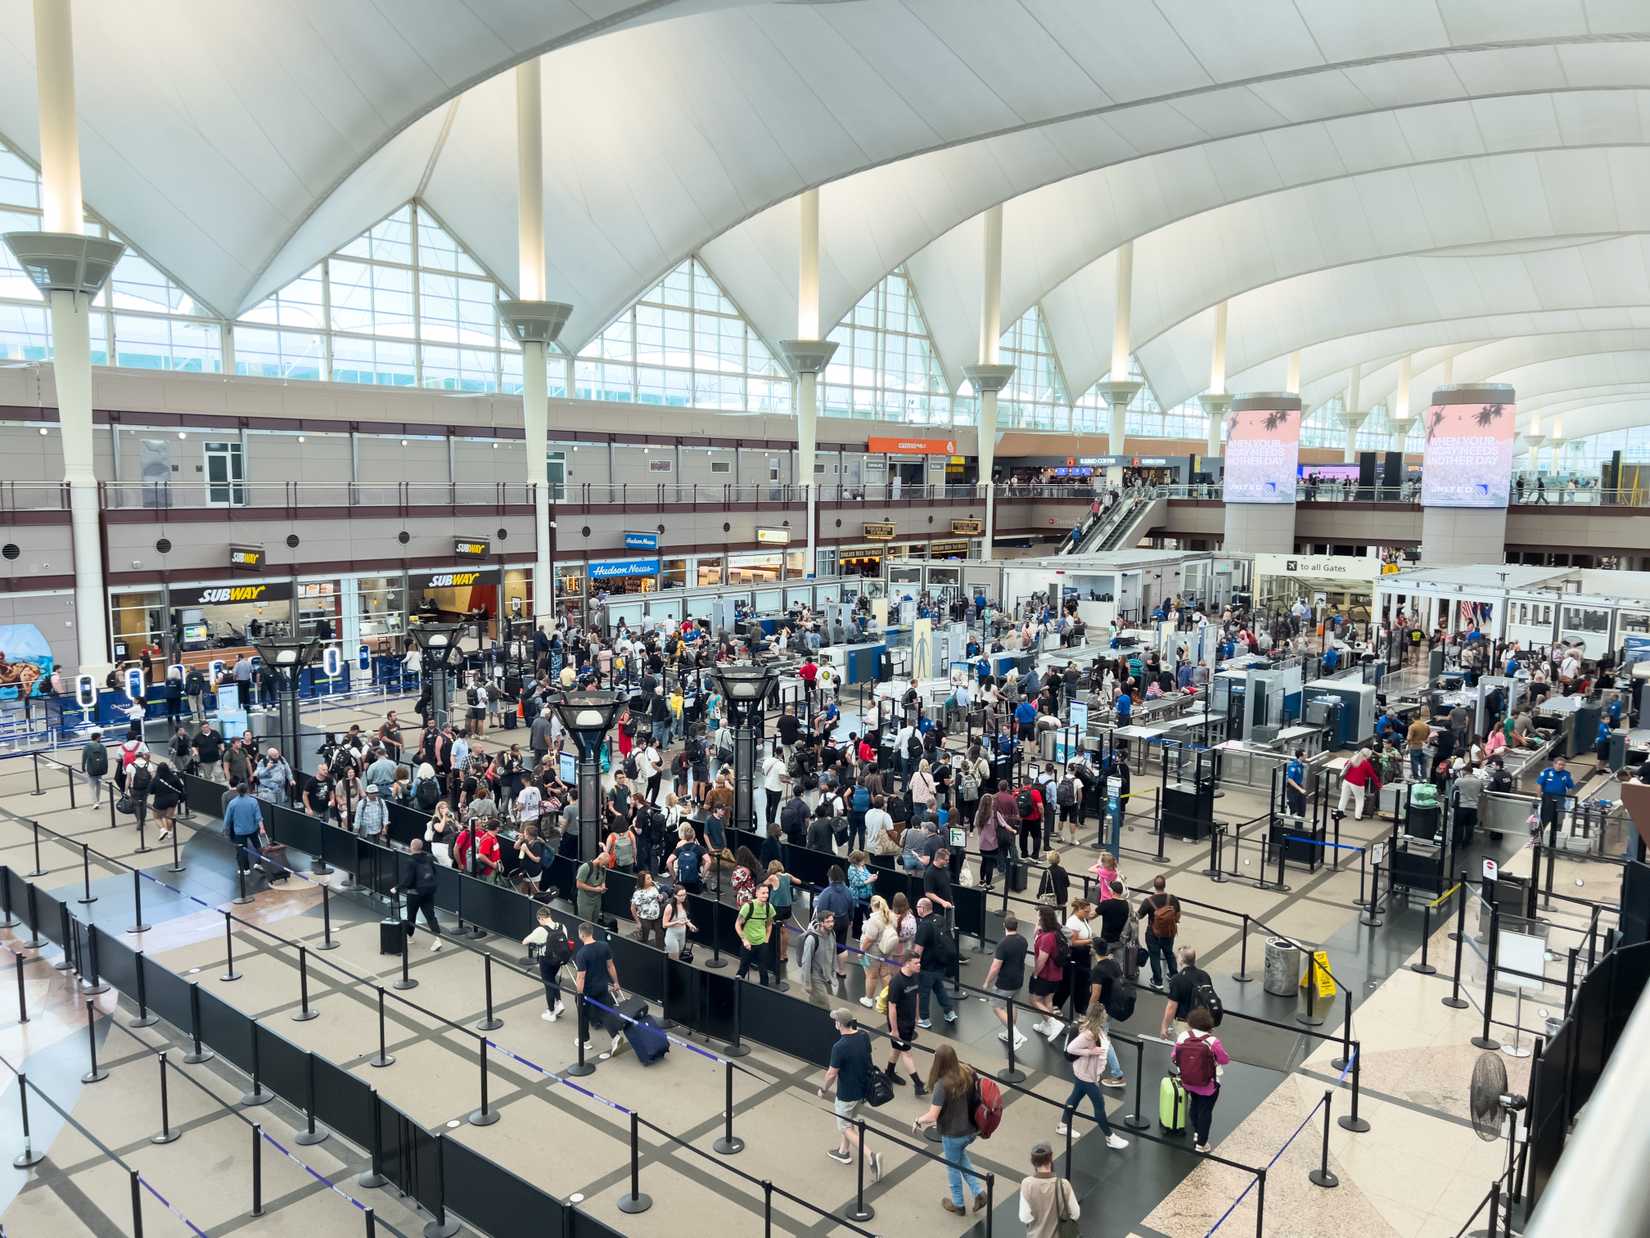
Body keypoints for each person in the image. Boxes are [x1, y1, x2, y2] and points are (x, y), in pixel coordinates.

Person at [913, 1045, 988, 1215]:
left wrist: (918, 1120)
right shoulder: (966, 1071)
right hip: (971, 1130)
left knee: (952, 1167)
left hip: (953, 1134)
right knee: (961, 1159)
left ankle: (958, 1204)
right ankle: (979, 1193)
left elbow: (932, 1115)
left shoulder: (942, 1084)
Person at [1055, 1001, 1129, 1147]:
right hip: (1086, 1076)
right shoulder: (1089, 1034)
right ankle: (1110, 1137)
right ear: (1100, 1017)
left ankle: (1062, 1125)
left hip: (1087, 1074)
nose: (1106, 1015)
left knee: (1075, 1098)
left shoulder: (1097, 1030)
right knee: (1099, 1104)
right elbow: (1071, 1048)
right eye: (1104, 1014)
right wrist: (1090, 1052)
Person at [820, 1008, 882, 1180]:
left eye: (835, 1020)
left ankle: (871, 1156)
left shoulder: (839, 1047)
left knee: (845, 1127)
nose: (834, 1023)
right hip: (863, 1092)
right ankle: (843, 1152)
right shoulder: (863, 1036)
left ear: (840, 1024)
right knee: (849, 1121)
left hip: (847, 1094)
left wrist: (823, 1089)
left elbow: (831, 1074)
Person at [1170, 1007, 1231, 1154]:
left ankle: (1197, 1131)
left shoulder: (1183, 1036)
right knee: (1206, 1111)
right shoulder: (1213, 1041)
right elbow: (1225, 1059)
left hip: (1188, 1080)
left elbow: (1174, 1056)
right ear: (1209, 1024)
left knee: (1195, 1104)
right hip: (1209, 1084)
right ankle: (1201, 1143)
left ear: (1191, 1022)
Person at [572, 922, 627, 1060]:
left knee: (582, 1015)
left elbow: (581, 976)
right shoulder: (604, 946)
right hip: (602, 987)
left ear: (582, 935)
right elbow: (610, 966)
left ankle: (585, 1041)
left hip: (588, 990)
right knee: (605, 1013)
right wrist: (616, 982)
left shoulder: (582, 953)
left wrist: (579, 994)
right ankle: (615, 1037)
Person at [983, 911, 1029, 1051]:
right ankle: (1011, 1033)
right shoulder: (1023, 940)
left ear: (1004, 926)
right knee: (1012, 1004)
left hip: (1005, 982)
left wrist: (987, 982)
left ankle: (1015, 1034)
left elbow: (995, 966)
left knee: (996, 1006)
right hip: (1019, 979)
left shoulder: (1003, 944)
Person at [1019, 1142, 1081, 1238]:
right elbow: (1075, 1214)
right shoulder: (1064, 1184)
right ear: (1050, 1159)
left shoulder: (1027, 1184)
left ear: (1033, 1162)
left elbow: (1025, 1217)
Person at [913, 896, 958, 1028]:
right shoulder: (940, 919)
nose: (917, 909)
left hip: (927, 966)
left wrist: (914, 964)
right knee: (938, 988)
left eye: (917, 907)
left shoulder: (924, 925)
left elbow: (918, 949)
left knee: (923, 992)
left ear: (922, 909)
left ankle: (924, 1019)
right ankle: (949, 1012)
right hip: (941, 963)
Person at [883, 955, 925, 1097]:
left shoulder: (914, 976)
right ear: (907, 963)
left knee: (897, 1048)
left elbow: (916, 996)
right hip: (899, 1023)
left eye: (919, 962)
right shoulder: (896, 982)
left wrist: (917, 1015)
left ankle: (889, 1072)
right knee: (906, 1052)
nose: (919, 965)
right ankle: (918, 1085)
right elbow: (892, 1007)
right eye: (916, 963)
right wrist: (894, 1030)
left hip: (909, 1020)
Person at [392, 838, 443, 951]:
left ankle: (409, 937)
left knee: (411, 916)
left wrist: (397, 887)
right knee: (431, 916)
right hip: (428, 892)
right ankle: (437, 939)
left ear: (412, 847)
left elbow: (408, 880)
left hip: (414, 894)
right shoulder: (429, 858)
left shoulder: (411, 861)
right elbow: (434, 873)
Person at [1160, 944, 1217, 1038]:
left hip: (1184, 1024)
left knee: (1184, 1050)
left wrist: (1164, 1026)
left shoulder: (1177, 979)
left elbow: (1171, 1006)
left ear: (1181, 961)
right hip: (1202, 1022)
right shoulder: (1204, 975)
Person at [1137, 875, 1181, 990]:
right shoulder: (1173, 898)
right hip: (1169, 932)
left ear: (1154, 886)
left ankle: (1157, 981)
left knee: (1154, 955)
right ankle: (1174, 976)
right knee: (1169, 953)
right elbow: (1177, 915)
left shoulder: (1148, 901)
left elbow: (1139, 916)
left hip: (1153, 933)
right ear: (1164, 885)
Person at [735, 882, 778, 985]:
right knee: (743, 968)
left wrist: (766, 940)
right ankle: (736, 989)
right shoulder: (748, 907)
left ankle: (764, 991)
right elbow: (737, 925)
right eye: (763, 893)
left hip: (762, 943)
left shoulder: (769, 908)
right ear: (756, 894)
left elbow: (769, 924)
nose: (766, 895)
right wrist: (744, 940)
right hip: (748, 944)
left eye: (767, 893)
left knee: (763, 971)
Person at [1338, 747, 1380, 821]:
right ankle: (1358, 816)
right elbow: (1372, 775)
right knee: (1359, 800)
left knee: (1344, 797)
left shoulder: (1353, 758)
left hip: (1347, 781)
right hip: (1357, 783)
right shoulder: (1366, 763)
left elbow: (1345, 766)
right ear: (1367, 756)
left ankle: (1340, 813)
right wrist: (1378, 784)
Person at [148, 758, 184, 842]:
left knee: (157, 817)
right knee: (169, 816)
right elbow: (180, 787)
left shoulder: (156, 779)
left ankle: (163, 829)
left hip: (160, 801)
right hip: (173, 800)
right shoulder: (174, 777)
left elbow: (151, 791)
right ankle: (170, 833)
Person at [1537, 754, 1575, 832]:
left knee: (1559, 818)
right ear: (1554, 764)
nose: (1561, 766)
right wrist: (1538, 797)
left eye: (1563, 765)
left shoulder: (1566, 774)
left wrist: (1568, 799)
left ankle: (1556, 834)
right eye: (1559, 764)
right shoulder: (1546, 772)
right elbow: (1539, 784)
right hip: (1547, 797)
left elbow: (1570, 787)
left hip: (1560, 798)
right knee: (1545, 817)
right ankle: (1539, 834)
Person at [630, 869, 664, 947]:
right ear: (642, 881)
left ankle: (660, 952)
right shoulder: (637, 893)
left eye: (650, 877)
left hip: (657, 917)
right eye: (648, 878)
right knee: (643, 939)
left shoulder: (655, 886)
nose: (651, 880)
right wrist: (638, 922)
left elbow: (659, 897)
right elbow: (632, 908)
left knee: (660, 935)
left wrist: (660, 898)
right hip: (645, 919)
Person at [662, 884, 696, 960]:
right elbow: (664, 924)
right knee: (674, 958)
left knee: (680, 954)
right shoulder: (670, 907)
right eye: (680, 895)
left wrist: (690, 924)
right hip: (672, 935)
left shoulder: (684, 903)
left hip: (682, 934)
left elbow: (684, 918)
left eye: (684, 894)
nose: (683, 897)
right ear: (675, 896)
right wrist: (676, 922)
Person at [576, 851, 610, 924]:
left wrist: (603, 888)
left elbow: (603, 881)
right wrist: (595, 889)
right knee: (586, 923)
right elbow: (579, 884)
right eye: (604, 863)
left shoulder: (603, 869)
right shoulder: (585, 867)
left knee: (595, 922)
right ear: (599, 859)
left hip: (597, 900)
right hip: (585, 900)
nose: (604, 866)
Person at [80, 729, 108, 802]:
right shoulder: (102, 746)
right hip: (100, 769)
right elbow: (105, 759)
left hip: (91, 768)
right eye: (100, 737)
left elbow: (84, 758)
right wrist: (105, 768)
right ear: (97, 738)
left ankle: (95, 802)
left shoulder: (87, 747)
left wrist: (83, 768)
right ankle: (98, 800)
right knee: (98, 785)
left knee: (91, 786)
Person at [1283, 748, 1307, 818]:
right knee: (1294, 807)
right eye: (1305, 755)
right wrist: (1300, 789)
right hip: (1293, 788)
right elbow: (1290, 780)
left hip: (1299, 786)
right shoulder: (1293, 766)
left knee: (1302, 808)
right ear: (1300, 756)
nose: (1306, 756)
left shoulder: (1301, 765)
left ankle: (1299, 825)